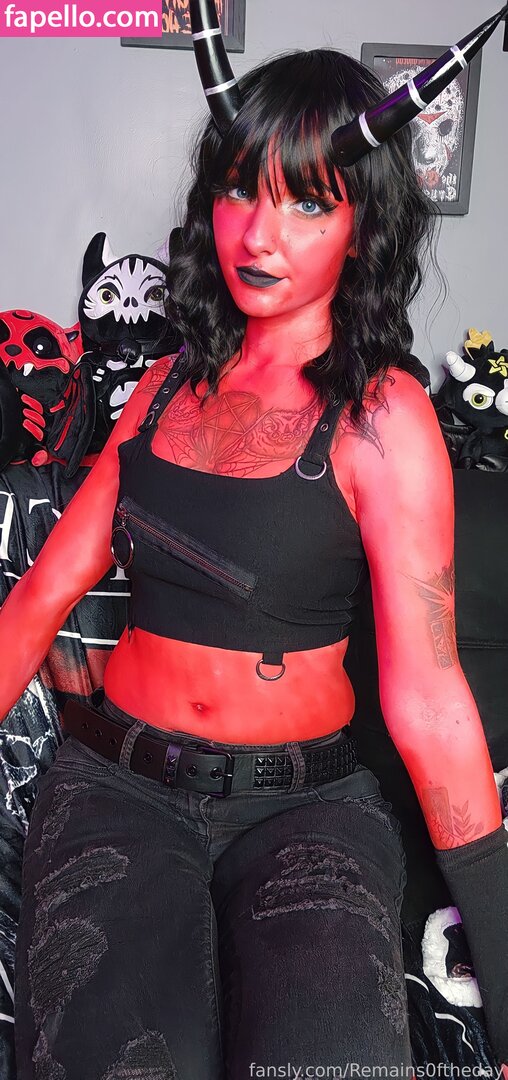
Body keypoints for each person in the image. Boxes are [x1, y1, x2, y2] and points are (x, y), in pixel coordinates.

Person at [2, 2, 508, 1077]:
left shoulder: (384, 418)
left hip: (306, 810)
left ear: (364, 223)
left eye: (306, 201)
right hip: (116, 789)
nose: (258, 235)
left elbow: (429, 701)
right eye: (239, 189)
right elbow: (40, 598)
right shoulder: (160, 390)